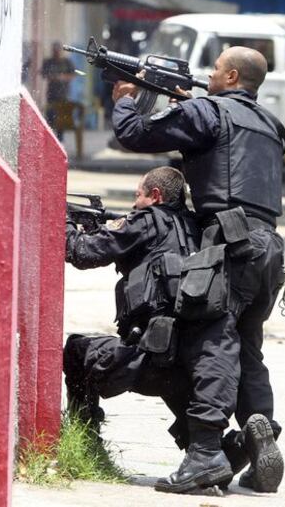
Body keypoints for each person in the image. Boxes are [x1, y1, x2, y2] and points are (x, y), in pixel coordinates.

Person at [111, 46, 285, 494]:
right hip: (269, 248)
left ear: (230, 76)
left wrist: (127, 98)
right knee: (247, 344)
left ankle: (205, 453)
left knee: (214, 342)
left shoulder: (209, 112)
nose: (207, 77)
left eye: (213, 70)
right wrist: (180, 105)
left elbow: (133, 134)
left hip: (229, 243)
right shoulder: (269, 125)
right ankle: (258, 430)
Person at [63, 167, 200, 442]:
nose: (134, 204)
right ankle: (224, 450)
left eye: (138, 196)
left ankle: (85, 440)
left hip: (146, 359)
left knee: (76, 351)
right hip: (189, 359)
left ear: (156, 196)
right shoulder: (193, 225)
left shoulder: (144, 222)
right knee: (199, 435)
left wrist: (64, 222)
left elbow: (80, 252)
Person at [40, 41, 75, 140]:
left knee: (61, 118)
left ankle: (60, 139)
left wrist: (62, 77)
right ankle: (49, 138)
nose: (56, 53)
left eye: (58, 51)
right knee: (50, 116)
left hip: (63, 94)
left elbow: (72, 74)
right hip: (51, 94)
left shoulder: (66, 62)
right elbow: (43, 73)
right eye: (54, 51)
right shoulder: (48, 62)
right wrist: (52, 77)